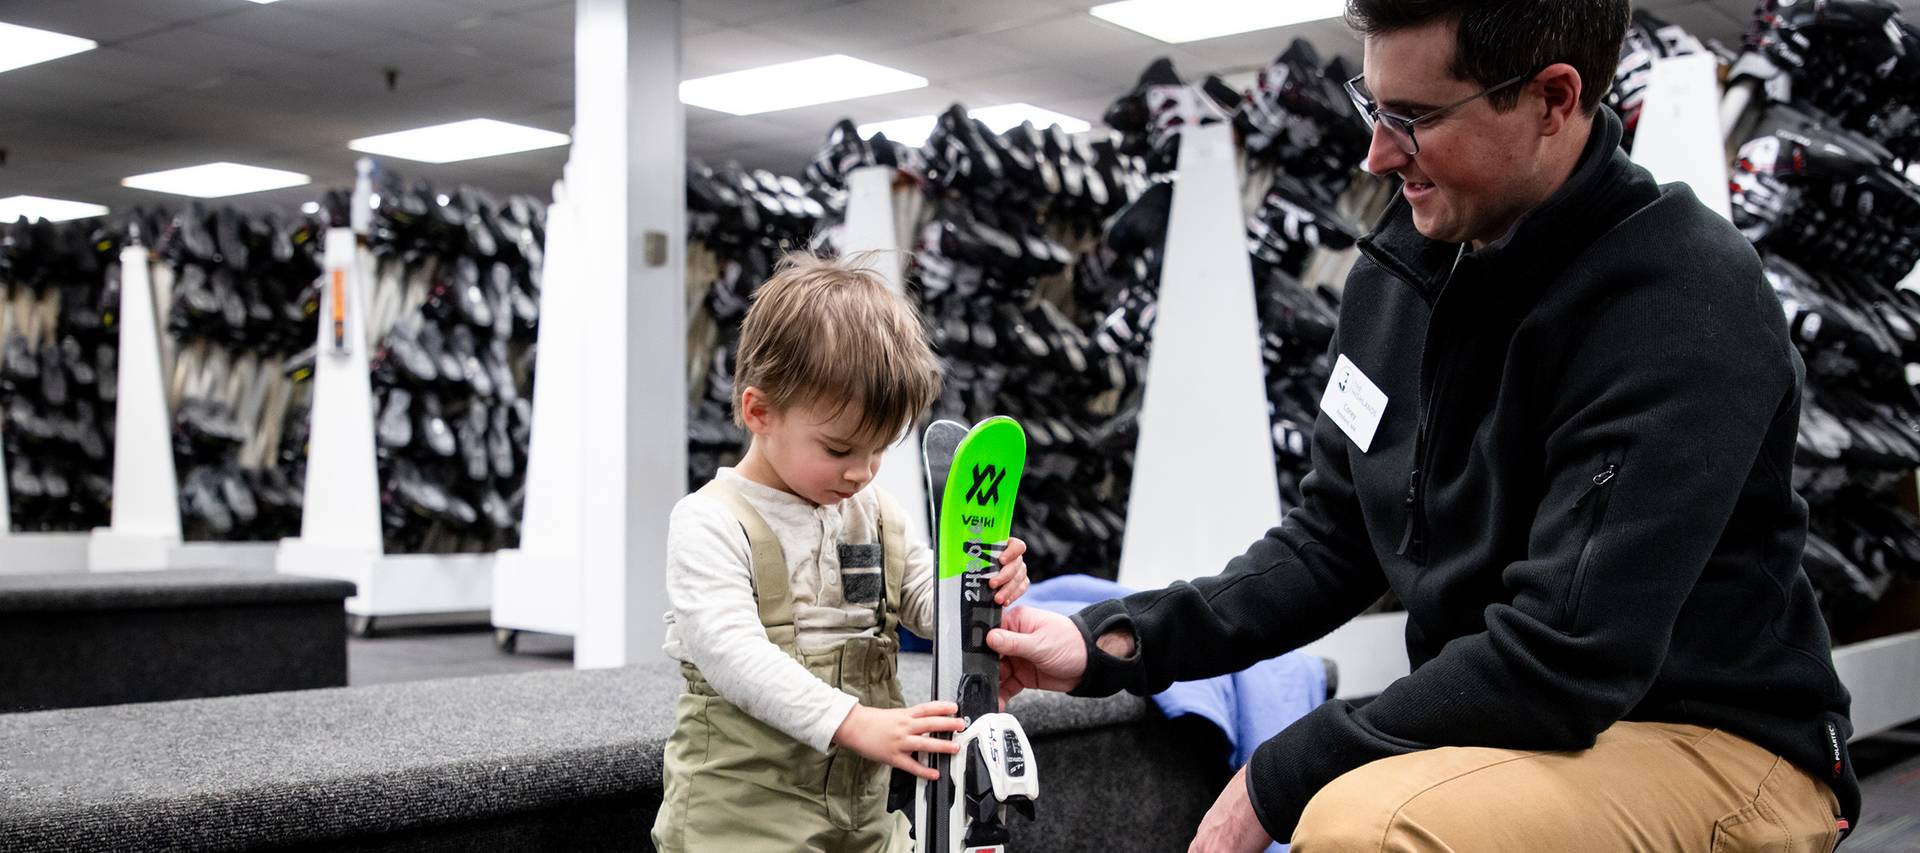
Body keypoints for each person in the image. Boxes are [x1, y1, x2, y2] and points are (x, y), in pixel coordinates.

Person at [986, 1, 1859, 850]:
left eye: (1414, 118)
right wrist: (1108, 641)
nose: (1376, 153)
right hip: (1534, 720)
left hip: (1717, 740)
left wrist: (1278, 774)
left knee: (1366, 827)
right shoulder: (1400, 277)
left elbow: (1565, 655)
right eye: (1373, 107)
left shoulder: (1682, 298)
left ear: (1553, 99)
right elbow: (1331, 540)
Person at [651, 253, 1031, 852]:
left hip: (865, 809)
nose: (862, 472)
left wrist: (982, 587)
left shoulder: (873, 511)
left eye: (879, 450)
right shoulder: (711, 521)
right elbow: (731, 655)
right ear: (759, 412)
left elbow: (923, 601)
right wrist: (853, 722)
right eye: (838, 449)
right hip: (744, 813)